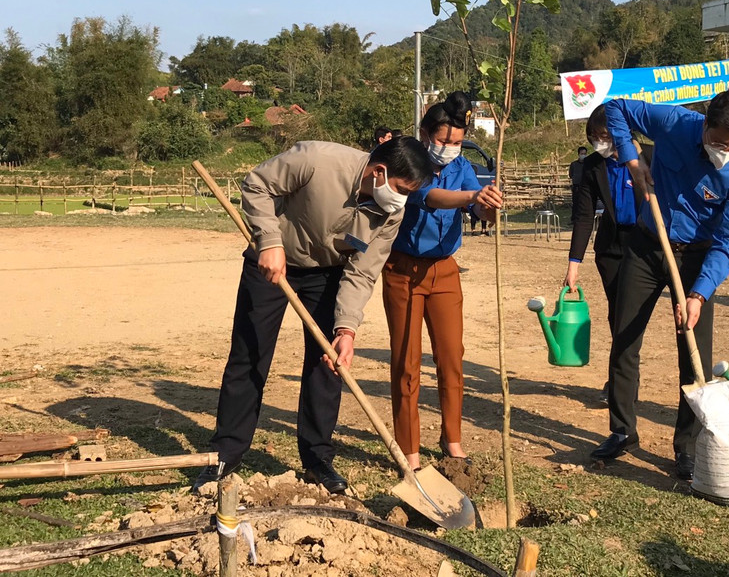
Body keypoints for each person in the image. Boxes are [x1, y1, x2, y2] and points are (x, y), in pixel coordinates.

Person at [193, 137, 433, 494]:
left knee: (328, 364)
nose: (402, 200)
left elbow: (363, 271)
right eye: (401, 189)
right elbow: (257, 184)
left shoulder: (391, 212)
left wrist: (346, 329)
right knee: (250, 355)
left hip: (329, 274)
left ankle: (318, 459)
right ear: (379, 172)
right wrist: (270, 242)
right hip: (271, 262)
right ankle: (225, 454)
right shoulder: (317, 160)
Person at [590, 79, 729, 482]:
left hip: (697, 259)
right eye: (722, 144)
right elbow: (615, 107)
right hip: (648, 246)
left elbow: (725, 244)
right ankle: (622, 431)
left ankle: (685, 447)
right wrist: (632, 159)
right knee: (625, 336)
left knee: (693, 354)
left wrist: (699, 294)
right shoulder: (674, 123)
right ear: (706, 127)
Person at [382, 92, 503, 472]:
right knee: (406, 361)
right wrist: (471, 195)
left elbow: (477, 209)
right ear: (424, 133)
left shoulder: (463, 166)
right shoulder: (409, 163)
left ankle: (452, 440)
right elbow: (431, 197)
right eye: (443, 141)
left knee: (451, 358)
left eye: (455, 142)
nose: (449, 149)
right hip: (402, 271)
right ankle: (409, 449)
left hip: (445, 272)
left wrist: (488, 206)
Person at [564, 105, 640, 405]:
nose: (599, 142)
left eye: (605, 136)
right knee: (617, 316)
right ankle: (621, 383)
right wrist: (574, 264)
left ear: (623, 133)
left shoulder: (649, 157)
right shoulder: (593, 167)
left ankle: (623, 380)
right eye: (594, 137)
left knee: (630, 318)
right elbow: (584, 216)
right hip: (611, 250)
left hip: (643, 246)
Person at [568, 146, 588, 219]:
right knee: (576, 203)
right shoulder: (574, 164)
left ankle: (584, 218)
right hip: (576, 186)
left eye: (585, 153)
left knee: (585, 203)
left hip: (585, 187)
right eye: (582, 153)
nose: (583, 155)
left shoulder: (588, 164)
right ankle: (574, 219)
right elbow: (571, 174)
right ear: (578, 154)